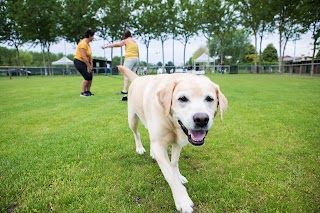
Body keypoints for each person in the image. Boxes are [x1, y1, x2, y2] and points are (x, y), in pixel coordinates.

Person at [102, 29, 139, 96]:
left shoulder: (126, 41)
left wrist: (106, 46)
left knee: (126, 74)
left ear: (125, 35)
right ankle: (136, 91)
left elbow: (117, 44)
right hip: (136, 59)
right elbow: (138, 52)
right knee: (133, 76)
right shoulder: (135, 42)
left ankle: (124, 91)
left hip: (129, 58)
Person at [74, 28, 95, 97]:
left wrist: (91, 64)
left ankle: (87, 91)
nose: (93, 38)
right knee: (86, 76)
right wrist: (88, 65)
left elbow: (90, 55)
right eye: (93, 36)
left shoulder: (88, 44)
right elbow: (84, 56)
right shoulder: (83, 43)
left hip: (85, 62)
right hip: (79, 61)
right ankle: (83, 92)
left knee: (90, 76)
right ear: (89, 36)